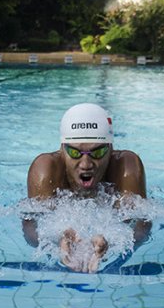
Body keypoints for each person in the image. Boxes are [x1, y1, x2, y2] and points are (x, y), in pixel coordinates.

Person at [22, 103, 152, 272]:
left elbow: (142, 225)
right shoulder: (46, 170)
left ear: (110, 148)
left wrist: (112, 242)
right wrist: (55, 241)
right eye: (75, 153)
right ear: (62, 149)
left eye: (97, 153)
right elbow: (30, 227)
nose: (86, 165)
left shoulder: (126, 168)